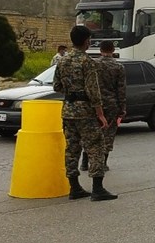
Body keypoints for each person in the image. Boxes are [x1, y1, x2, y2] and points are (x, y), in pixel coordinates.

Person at [53, 25, 118, 201]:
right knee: (96, 146)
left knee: (72, 149)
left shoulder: (62, 60)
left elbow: (56, 86)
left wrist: (71, 93)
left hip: (68, 110)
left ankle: (74, 188)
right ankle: (98, 189)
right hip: (86, 112)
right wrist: (100, 114)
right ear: (86, 41)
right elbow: (93, 91)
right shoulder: (87, 62)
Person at [81, 40, 126, 171]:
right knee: (108, 134)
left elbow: (87, 85)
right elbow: (121, 89)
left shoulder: (93, 64)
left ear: (100, 50)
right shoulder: (118, 67)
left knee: (90, 133)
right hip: (111, 105)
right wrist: (122, 108)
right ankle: (103, 163)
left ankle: (84, 162)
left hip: (93, 104)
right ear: (113, 50)